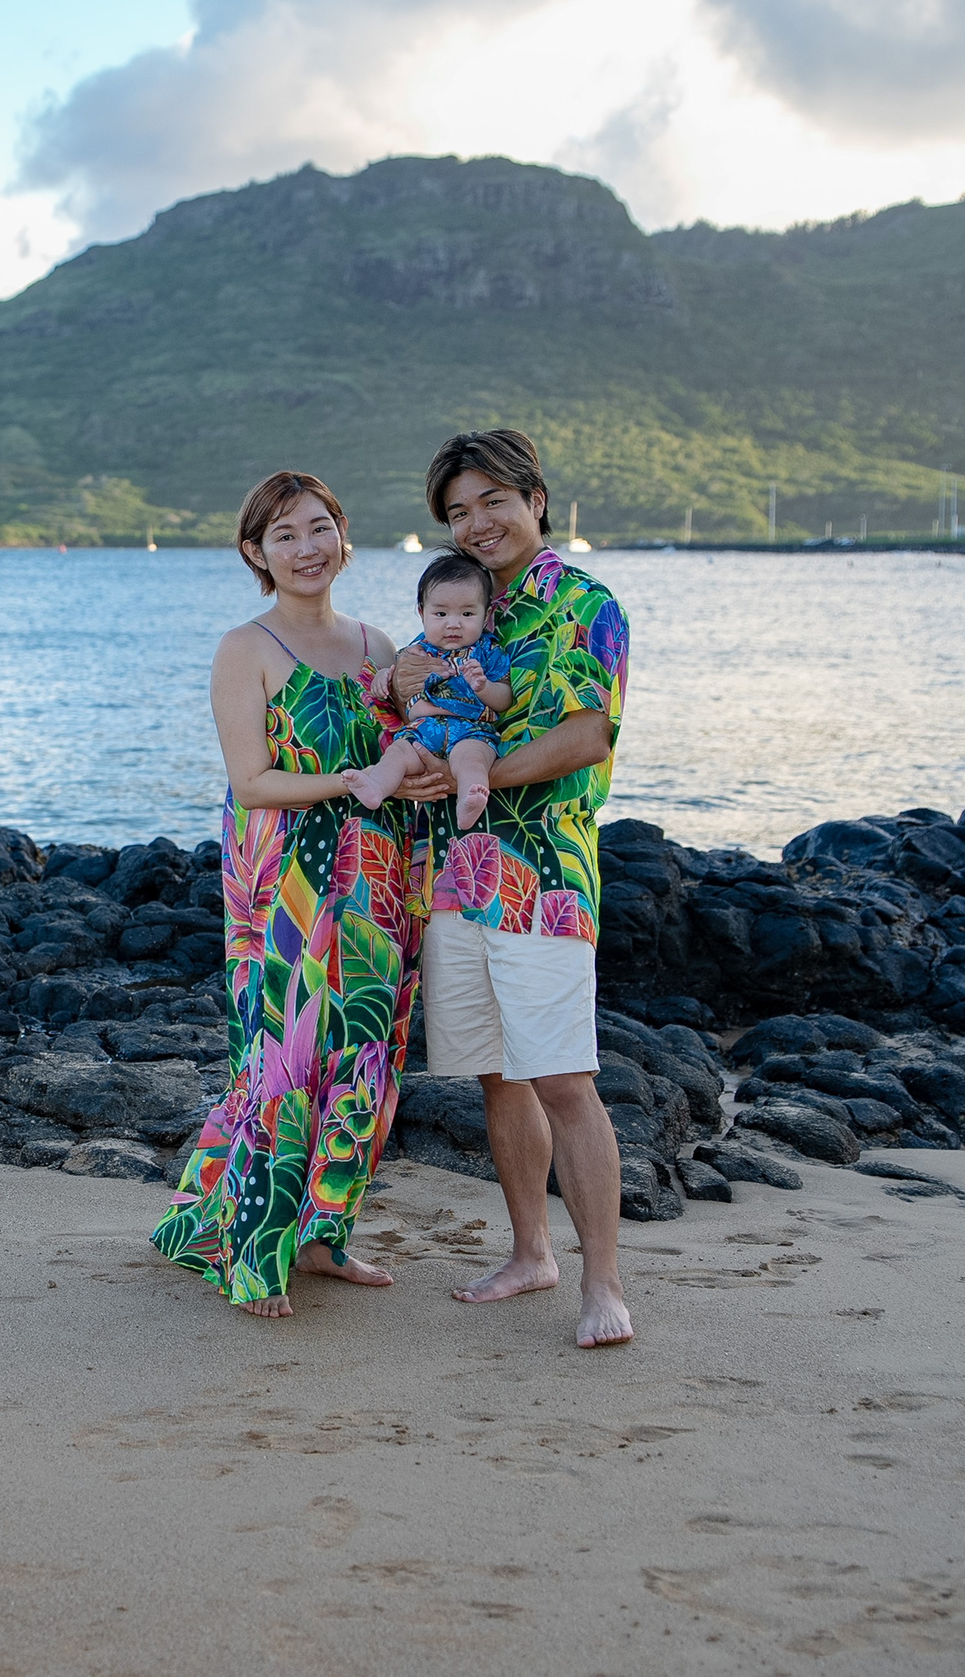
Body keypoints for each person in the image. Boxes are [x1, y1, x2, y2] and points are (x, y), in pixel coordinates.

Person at [151, 470, 452, 1318]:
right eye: (285, 534)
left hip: (380, 884)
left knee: (364, 1059)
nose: (307, 547)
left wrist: (424, 775)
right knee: (282, 1060)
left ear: (344, 536)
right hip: (282, 884)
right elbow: (251, 782)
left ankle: (321, 1237)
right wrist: (350, 781)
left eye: (320, 527)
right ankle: (250, 1249)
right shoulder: (245, 648)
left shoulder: (383, 646)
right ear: (257, 552)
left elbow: (417, 744)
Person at [375, 428, 635, 1349]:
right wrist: (399, 679)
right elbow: (412, 711)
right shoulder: (465, 607)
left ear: (535, 498)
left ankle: (603, 1283)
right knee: (497, 1072)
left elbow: (587, 736)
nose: (476, 522)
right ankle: (531, 1252)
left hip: (546, 878)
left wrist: (473, 778)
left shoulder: (581, 604)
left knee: (563, 1075)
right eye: (457, 511)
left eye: (492, 501)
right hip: (458, 878)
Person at [340, 550, 513, 831]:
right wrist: (384, 678)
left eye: (467, 613)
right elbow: (395, 678)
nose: (453, 623)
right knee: (397, 754)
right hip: (423, 730)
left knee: (471, 761)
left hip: (471, 730)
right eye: (441, 613)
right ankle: (376, 787)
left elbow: (504, 700)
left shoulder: (487, 651)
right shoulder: (416, 650)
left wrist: (484, 687)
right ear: (422, 613)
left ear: (486, 615)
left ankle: (470, 799)